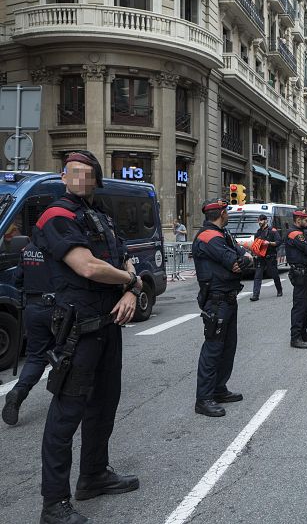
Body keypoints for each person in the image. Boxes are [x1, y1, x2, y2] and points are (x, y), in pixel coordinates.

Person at [34, 150, 141, 523]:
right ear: (63, 177)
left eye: (88, 174)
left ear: (95, 179)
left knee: (104, 406)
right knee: (66, 415)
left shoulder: (101, 217)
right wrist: (130, 281)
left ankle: (93, 475)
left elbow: (125, 260)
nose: (81, 178)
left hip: (109, 325)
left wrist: (131, 288)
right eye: (74, 172)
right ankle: (54, 503)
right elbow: (89, 267)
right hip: (79, 330)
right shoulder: (57, 217)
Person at [193, 198, 250, 418]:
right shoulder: (209, 237)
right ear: (221, 213)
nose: (228, 214)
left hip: (228, 298)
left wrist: (243, 259)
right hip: (216, 301)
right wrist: (242, 260)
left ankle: (219, 389)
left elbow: (244, 256)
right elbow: (236, 262)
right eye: (227, 211)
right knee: (213, 349)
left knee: (228, 347)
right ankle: (204, 398)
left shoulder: (223, 234)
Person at [3, 238, 57, 426]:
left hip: (32, 309)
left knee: (35, 357)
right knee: (69, 351)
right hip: (57, 308)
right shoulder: (59, 246)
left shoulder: (27, 250)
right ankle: (66, 397)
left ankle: (19, 391)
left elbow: (17, 279)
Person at [286, 209, 307, 349]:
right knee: (300, 306)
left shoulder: (301, 233)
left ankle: (303, 333)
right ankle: (295, 337)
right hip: (299, 272)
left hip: (304, 272)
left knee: (306, 305)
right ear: (298, 220)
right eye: (306, 220)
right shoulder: (295, 234)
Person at [250, 214, 283, 301]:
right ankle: (255, 295)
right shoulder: (258, 232)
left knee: (275, 274)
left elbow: (279, 241)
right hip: (261, 257)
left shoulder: (273, 231)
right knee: (257, 276)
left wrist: (269, 243)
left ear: (266, 220)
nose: (259, 222)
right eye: (258, 220)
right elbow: (256, 244)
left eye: (261, 220)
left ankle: (279, 290)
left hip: (270, 256)